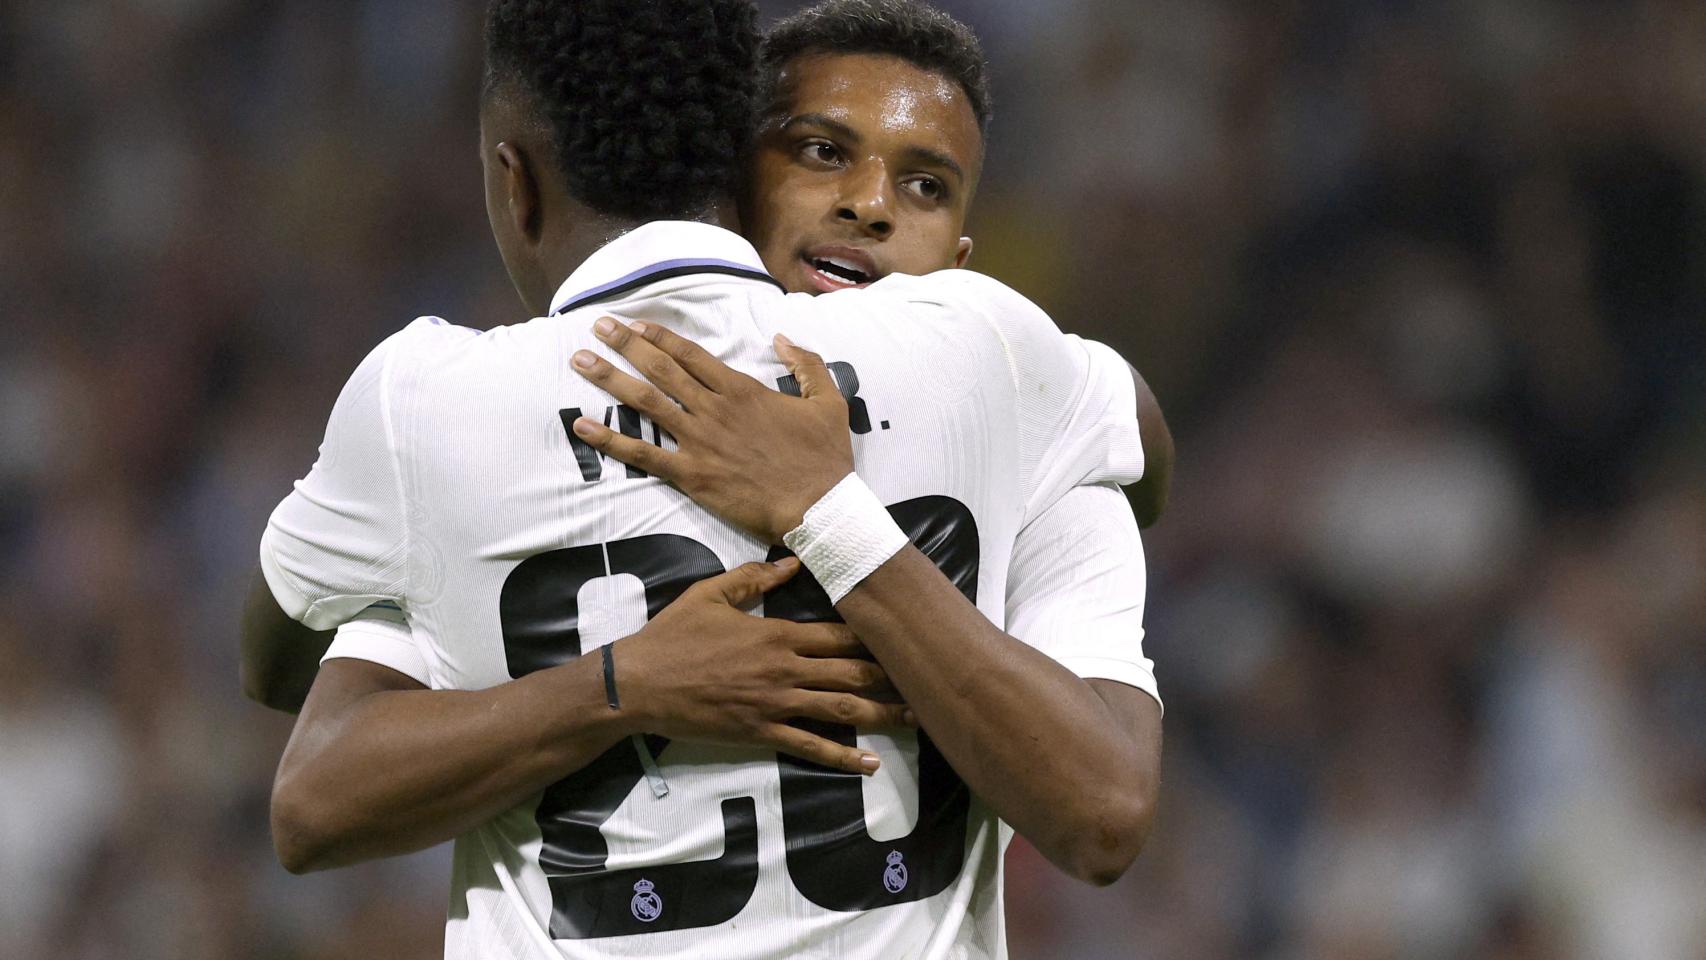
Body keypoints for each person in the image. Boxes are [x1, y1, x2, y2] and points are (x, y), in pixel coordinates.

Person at [244, 0, 1162, 956]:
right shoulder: (996, 355)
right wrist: (625, 683)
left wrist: (822, 514)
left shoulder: (437, 405)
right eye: (818, 152)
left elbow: (278, 672)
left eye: (926, 185)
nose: (868, 205)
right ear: (733, 166)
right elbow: (1143, 437)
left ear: (513, 183)